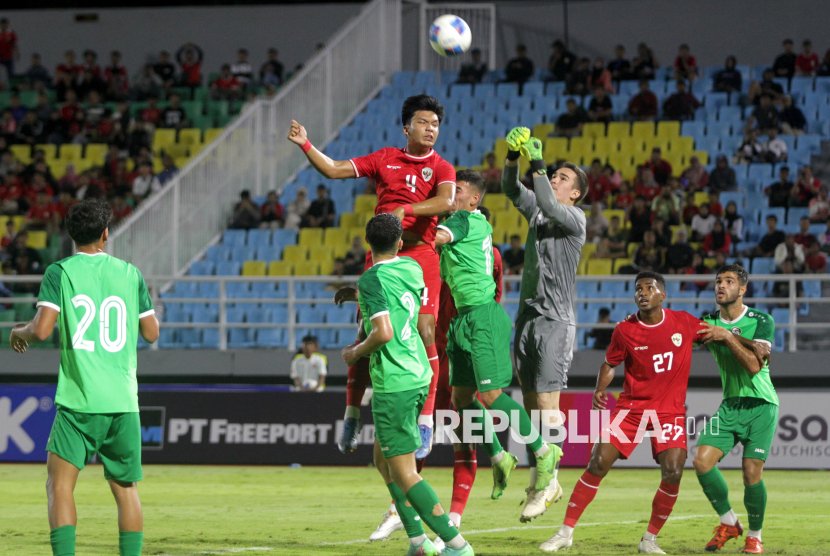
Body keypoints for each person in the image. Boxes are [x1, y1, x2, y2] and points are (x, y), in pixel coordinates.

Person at [288, 95, 455, 460]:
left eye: (436, 124)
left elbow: (446, 203)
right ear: (406, 127)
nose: (431, 130)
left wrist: (404, 209)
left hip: (421, 253)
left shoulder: (442, 167)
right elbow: (332, 169)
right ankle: (351, 415)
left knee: (427, 330)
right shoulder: (384, 158)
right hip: (382, 254)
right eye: (424, 123)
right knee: (366, 331)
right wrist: (306, 144)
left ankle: (426, 421)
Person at [9, 198, 159, 556]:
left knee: (60, 487)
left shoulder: (60, 272)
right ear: (106, 233)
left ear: (71, 235)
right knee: (126, 490)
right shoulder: (130, 273)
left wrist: (20, 331)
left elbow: (42, 330)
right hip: (123, 402)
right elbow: (152, 334)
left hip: (79, 402)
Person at [335, 213, 474, 556]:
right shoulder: (413, 269)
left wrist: (355, 352)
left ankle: (456, 545)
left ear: (368, 244)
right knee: (383, 460)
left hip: (394, 381)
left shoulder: (371, 278)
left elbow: (383, 332)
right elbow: (395, 299)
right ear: (400, 243)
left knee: (406, 473)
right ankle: (417, 541)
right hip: (418, 373)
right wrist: (358, 295)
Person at [540, 272, 708, 554]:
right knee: (598, 461)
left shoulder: (683, 321)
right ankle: (565, 532)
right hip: (632, 409)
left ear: (662, 295)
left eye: (649, 287)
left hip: (669, 413)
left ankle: (649, 539)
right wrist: (599, 389)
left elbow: (716, 333)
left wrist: (744, 340)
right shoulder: (625, 330)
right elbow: (609, 363)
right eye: (638, 288)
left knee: (674, 470)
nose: (643, 292)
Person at [436, 168, 560, 519]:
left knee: (490, 396)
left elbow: (437, 238)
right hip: (461, 319)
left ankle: (542, 450)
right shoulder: (465, 223)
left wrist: (405, 224)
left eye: (456, 189)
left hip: (482, 318)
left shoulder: (465, 220)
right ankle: (499, 454)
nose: (450, 192)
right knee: (461, 398)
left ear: (474, 199)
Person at [501, 127, 588, 522]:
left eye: (562, 178)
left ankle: (545, 482)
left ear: (575, 194)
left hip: (555, 320)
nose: (555, 179)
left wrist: (539, 163)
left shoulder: (574, 218)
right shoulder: (539, 208)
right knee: (533, 407)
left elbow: (550, 206)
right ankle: (547, 481)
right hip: (527, 319)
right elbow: (510, 188)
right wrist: (512, 157)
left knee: (549, 408)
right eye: (554, 175)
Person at [693, 264, 777, 555]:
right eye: (718, 281)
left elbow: (756, 364)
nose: (721, 285)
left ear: (742, 289)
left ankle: (755, 536)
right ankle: (729, 522)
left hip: (762, 404)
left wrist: (727, 335)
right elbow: (674, 334)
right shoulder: (707, 321)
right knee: (702, 460)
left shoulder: (761, 319)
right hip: (730, 404)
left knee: (751, 472)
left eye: (729, 281)